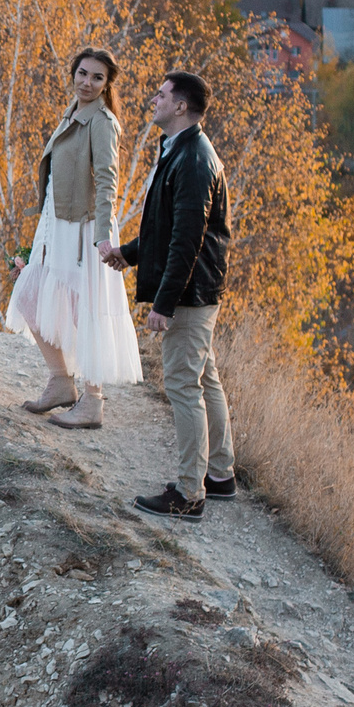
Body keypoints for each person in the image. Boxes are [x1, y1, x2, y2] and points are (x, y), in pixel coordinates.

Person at [97, 70, 233, 522]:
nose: (153, 99)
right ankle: (219, 475)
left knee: (181, 385)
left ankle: (190, 495)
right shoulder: (179, 150)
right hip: (198, 290)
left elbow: (187, 241)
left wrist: (163, 305)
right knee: (204, 378)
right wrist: (128, 254)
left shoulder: (194, 159)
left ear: (180, 106)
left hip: (191, 295)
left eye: (162, 94)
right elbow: (164, 227)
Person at [3, 48, 142, 427]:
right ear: (73, 73)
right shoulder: (73, 111)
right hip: (56, 222)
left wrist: (101, 237)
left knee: (86, 308)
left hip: (84, 228)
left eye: (97, 78)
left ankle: (93, 400)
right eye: (82, 73)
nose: (87, 82)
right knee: (31, 293)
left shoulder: (102, 121)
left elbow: (107, 182)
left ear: (107, 84)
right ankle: (61, 382)